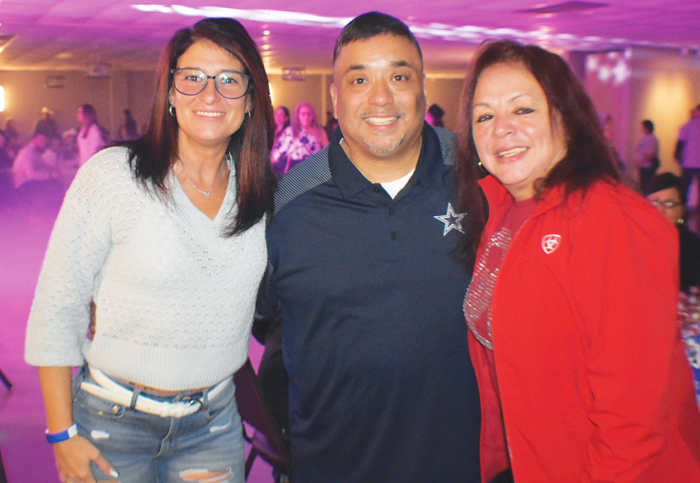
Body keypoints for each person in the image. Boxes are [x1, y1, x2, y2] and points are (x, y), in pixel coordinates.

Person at [25, 17, 276, 483]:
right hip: (112, 421)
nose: (210, 94)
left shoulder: (261, 194)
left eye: (229, 80)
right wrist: (61, 433)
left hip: (214, 425)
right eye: (193, 78)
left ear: (250, 99)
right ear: (170, 94)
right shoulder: (115, 176)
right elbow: (58, 306)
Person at [456, 39, 700, 482]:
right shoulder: (498, 211)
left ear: (566, 118)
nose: (501, 129)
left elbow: (633, 422)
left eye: (523, 109)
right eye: (484, 116)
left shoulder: (614, 221)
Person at [257, 12, 481, 483]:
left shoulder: (478, 177)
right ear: (335, 97)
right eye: (359, 80)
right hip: (331, 468)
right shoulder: (287, 202)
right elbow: (254, 323)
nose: (381, 97)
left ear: (423, 89)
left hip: (462, 467)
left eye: (399, 77)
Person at [646, 173, 700, 292]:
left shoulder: (694, 247)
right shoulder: (633, 240)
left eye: (669, 204)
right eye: (655, 203)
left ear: (681, 210)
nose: (660, 210)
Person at [270, 102, 326, 175]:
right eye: (303, 114)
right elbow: (279, 151)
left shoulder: (320, 131)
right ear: (298, 116)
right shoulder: (290, 131)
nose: (306, 117)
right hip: (294, 168)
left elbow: (328, 150)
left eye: (309, 114)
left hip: (314, 168)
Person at [676, 104, 700, 206]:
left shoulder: (686, 126)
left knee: (684, 187)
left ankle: (682, 210)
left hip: (688, 162)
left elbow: (680, 144)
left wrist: (678, 156)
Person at [635, 119, 659, 191]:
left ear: (647, 128)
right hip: (643, 166)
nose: (642, 129)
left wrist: (640, 162)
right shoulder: (645, 138)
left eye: (643, 127)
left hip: (647, 166)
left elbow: (650, 153)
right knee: (642, 184)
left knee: (645, 185)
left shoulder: (651, 139)